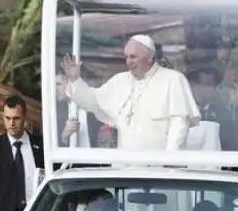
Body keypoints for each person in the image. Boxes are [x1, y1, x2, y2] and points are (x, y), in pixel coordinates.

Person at [61, 35, 200, 151]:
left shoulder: (173, 79)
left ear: (149, 57)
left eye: (133, 57)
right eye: (127, 57)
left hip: (159, 169)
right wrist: (75, 79)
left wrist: (170, 161)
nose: (128, 62)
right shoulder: (120, 81)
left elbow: (179, 124)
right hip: (125, 168)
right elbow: (93, 102)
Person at [55, 72, 104, 147]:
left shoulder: (93, 107)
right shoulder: (55, 112)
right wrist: (64, 136)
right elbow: (52, 146)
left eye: (58, 84)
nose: (55, 89)